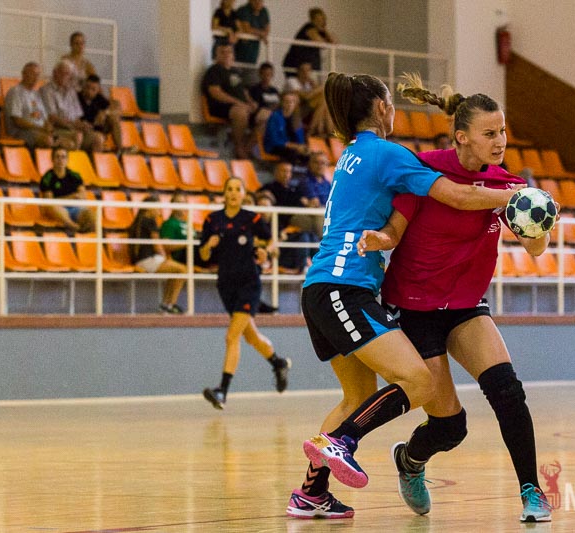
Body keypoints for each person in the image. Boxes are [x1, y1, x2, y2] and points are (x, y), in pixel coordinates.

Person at [285, 72, 522, 520]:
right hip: (343, 288)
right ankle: (341, 442)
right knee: (419, 381)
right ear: (381, 108)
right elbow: (456, 195)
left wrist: (384, 238)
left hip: (322, 288)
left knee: (356, 398)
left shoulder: (353, 153)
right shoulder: (387, 153)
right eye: (392, 103)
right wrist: (516, 194)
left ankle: (311, 493)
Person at [357, 78, 554, 522]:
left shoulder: (507, 185)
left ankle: (531, 491)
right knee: (450, 426)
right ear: (461, 136)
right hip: (414, 308)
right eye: (490, 133)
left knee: (508, 391)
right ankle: (410, 460)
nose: (500, 141)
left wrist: (539, 221)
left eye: (503, 131)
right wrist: (379, 239)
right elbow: (395, 230)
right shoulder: (424, 169)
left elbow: (536, 249)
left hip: (465, 306)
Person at [199, 177, 291, 410]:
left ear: (243, 194)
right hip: (225, 285)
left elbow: (272, 243)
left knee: (232, 336)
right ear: (224, 193)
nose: (232, 193)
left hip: (249, 283)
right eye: (228, 189)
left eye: (237, 189)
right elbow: (203, 256)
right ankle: (278, 362)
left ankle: (222, 391)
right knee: (251, 337)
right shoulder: (212, 220)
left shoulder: (251, 218)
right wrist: (208, 246)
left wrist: (266, 252)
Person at [129, 196, 187, 314]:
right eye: (157, 208)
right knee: (183, 270)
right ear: (149, 208)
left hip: (142, 260)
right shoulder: (150, 221)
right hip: (148, 260)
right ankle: (170, 304)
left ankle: (166, 304)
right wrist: (165, 258)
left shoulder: (137, 222)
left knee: (175, 271)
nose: (160, 211)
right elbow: (157, 246)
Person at [201, 44, 258, 159]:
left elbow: (243, 91)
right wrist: (238, 103)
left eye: (229, 52)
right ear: (216, 55)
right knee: (240, 112)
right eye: (222, 52)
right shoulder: (213, 71)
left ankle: (247, 147)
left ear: (233, 55)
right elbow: (215, 92)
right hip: (222, 106)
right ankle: (238, 147)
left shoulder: (236, 71)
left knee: (267, 116)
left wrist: (251, 102)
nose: (226, 54)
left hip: (241, 105)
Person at [40, 61, 102, 152]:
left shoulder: (71, 91)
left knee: (98, 138)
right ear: (54, 73)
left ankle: (92, 162)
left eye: (69, 74)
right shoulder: (46, 90)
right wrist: (72, 125)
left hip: (72, 129)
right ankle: (74, 160)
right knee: (77, 136)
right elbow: (52, 117)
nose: (67, 77)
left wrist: (82, 125)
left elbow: (77, 117)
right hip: (56, 129)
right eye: (63, 73)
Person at [38, 146, 95, 232]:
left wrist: (71, 198)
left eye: (63, 157)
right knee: (53, 207)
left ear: (67, 160)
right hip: (57, 210)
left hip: (75, 208)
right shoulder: (47, 178)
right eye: (57, 157)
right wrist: (71, 197)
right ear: (52, 159)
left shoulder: (75, 176)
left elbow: (83, 195)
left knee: (90, 214)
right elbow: (49, 201)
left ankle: (93, 237)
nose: (60, 160)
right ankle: (72, 226)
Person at [4, 62, 56, 149]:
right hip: (21, 131)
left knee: (68, 141)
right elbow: (17, 121)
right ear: (23, 74)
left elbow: (44, 117)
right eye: (32, 74)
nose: (36, 78)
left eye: (37, 75)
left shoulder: (36, 94)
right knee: (47, 140)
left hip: (39, 130)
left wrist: (48, 126)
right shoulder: (15, 92)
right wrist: (39, 128)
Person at [284, 62, 334, 136]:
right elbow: (306, 97)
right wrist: (320, 88)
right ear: (298, 71)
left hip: (308, 109)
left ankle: (317, 130)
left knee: (324, 102)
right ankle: (319, 131)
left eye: (308, 70)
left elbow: (315, 96)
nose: (305, 73)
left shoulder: (308, 83)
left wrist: (315, 85)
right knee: (323, 92)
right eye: (303, 70)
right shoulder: (292, 81)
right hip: (295, 109)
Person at [283, 7, 337, 73]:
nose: (320, 22)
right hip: (296, 64)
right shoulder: (309, 28)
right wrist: (326, 39)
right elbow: (322, 44)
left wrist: (325, 29)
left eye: (322, 19)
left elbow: (334, 42)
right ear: (312, 20)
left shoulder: (321, 31)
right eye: (318, 20)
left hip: (310, 64)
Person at [263, 91, 309, 165]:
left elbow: (300, 139)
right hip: (276, 146)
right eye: (286, 101)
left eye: (292, 102)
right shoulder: (275, 117)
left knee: (308, 155)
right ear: (282, 103)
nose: (289, 104)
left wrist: (302, 148)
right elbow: (275, 140)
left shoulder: (297, 119)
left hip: (294, 147)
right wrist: (296, 147)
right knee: (292, 153)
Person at [78, 74, 122, 152]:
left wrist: (105, 113)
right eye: (87, 87)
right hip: (83, 129)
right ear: (83, 86)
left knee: (113, 119)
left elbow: (117, 107)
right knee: (98, 137)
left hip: (97, 126)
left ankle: (120, 149)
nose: (89, 91)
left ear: (98, 90)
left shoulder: (99, 98)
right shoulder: (77, 97)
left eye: (93, 89)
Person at [234, 0, 270, 66]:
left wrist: (261, 33)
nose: (258, 2)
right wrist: (261, 33)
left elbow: (267, 30)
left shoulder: (263, 11)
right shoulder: (244, 10)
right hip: (240, 50)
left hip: (253, 51)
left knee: (251, 68)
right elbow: (247, 29)